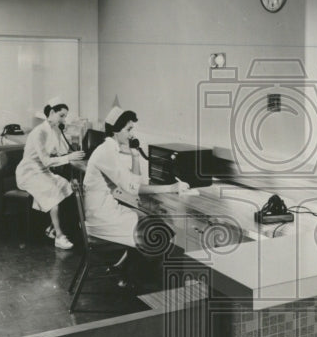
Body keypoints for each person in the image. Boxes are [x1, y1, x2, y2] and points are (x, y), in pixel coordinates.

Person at [83, 106, 190, 247]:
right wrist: (171, 187)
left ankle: (134, 265)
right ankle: (138, 267)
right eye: (128, 129)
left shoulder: (110, 149)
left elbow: (133, 182)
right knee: (158, 233)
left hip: (104, 210)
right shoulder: (107, 152)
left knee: (151, 222)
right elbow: (133, 188)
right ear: (115, 130)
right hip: (101, 218)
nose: (132, 134)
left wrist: (135, 156)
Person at [15, 102, 85, 249]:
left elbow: (58, 152)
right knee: (53, 190)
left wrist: (66, 143)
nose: (63, 120)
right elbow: (46, 161)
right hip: (29, 173)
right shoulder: (39, 132)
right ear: (52, 112)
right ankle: (59, 236)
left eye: (65, 117)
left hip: (42, 171)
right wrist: (69, 157)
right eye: (61, 116)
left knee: (67, 186)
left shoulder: (54, 131)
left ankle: (51, 228)